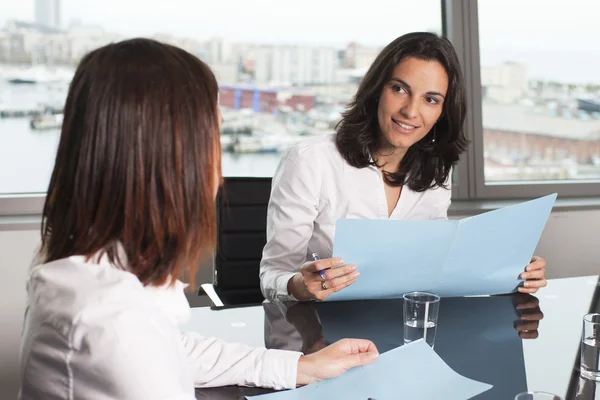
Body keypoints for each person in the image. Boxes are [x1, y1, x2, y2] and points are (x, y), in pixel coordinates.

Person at [18, 38, 379, 400]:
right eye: (211, 140)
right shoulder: (114, 321)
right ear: (167, 159)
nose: (217, 173)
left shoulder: (95, 274)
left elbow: (174, 349)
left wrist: (301, 368)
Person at [260, 32, 547, 302]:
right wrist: (300, 285)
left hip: (406, 329)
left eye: (430, 99)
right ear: (376, 91)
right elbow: (272, 274)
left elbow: (440, 269)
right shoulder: (310, 161)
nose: (410, 111)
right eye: (400, 89)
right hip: (322, 332)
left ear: (442, 113)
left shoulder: (437, 173)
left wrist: (510, 273)